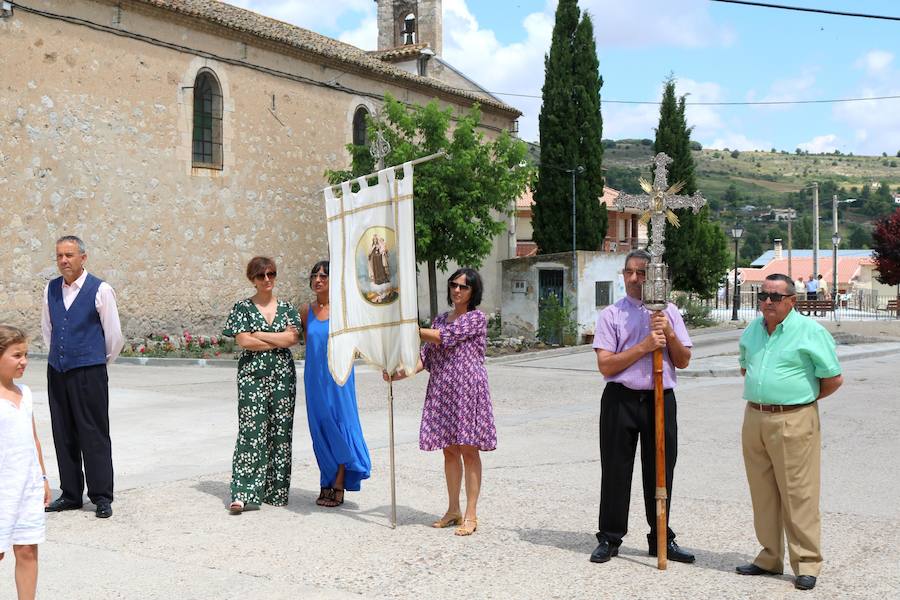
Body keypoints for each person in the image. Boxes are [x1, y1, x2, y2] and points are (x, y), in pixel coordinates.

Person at [736, 274, 842, 591]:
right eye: (762, 296)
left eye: (775, 297)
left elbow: (832, 379)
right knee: (763, 493)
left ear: (792, 300)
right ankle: (769, 557)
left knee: (799, 494)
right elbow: (745, 366)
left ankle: (807, 562)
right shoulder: (753, 329)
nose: (767, 302)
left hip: (794, 418)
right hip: (754, 416)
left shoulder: (810, 332)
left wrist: (799, 401)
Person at [589, 249, 695, 564]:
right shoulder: (612, 315)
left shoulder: (670, 312)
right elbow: (606, 366)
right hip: (621, 398)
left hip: (660, 398)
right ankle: (610, 537)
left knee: (660, 469)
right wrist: (644, 347)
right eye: (629, 272)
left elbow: (684, 360)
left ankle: (661, 536)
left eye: (641, 273)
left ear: (654, 278)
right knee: (616, 469)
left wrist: (670, 333)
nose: (634, 279)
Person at [387, 268, 496, 536]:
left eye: (463, 286)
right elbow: (427, 358)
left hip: (468, 390)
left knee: (469, 450)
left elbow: (446, 337)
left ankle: (471, 513)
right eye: (454, 285)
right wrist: (397, 373)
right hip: (443, 390)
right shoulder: (439, 320)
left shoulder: (476, 318)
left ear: (473, 292)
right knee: (449, 450)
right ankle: (453, 509)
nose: (457, 290)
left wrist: (409, 328)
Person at [41, 235, 123, 519]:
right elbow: (47, 330)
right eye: (60, 255)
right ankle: (71, 493)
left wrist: (96, 363)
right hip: (58, 369)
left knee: (94, 433)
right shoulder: (50, 289)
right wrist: (60, 357)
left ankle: (101, 496)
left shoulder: (101, 289)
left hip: (89, 371)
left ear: (83, 258)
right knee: (63, 432)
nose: (64, 260)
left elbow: (114, 337)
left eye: (70, 255)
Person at [222, 257, 301, 514]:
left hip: (282, 377)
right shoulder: (242, 308)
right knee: (251, 431)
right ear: (252, 279)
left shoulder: (288, 308)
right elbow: (244, 342)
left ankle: (275, 491)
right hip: (251, 377)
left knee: (281, 432)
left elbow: (292, 339)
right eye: (261, 276)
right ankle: (243, 493)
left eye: (271, 274)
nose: (267, 280)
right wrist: (277, 339)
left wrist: (260, 334)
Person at [300, 260, 371, 507]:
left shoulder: (345, 311)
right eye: (315, 275)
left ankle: (339, 482)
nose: (318, 279)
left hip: (339, 375)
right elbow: (310, 343)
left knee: (338, 425)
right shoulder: (305, 311)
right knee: (319, 427)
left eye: (324, 276)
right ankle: (325, 480)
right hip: (314, 378)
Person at [0, 326, 51, 600]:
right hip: (1, 487)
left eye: (26, 354)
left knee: (28, 550)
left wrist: (42, 477)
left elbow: (33, 439)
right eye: (16, 355)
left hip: (27, 484)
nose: (24, 361)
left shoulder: (26, 393)